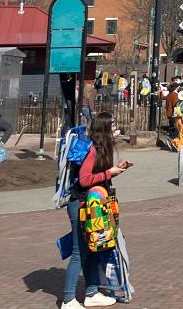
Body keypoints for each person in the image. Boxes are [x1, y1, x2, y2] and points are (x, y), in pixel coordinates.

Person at [61, 112, 132, 309]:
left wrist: (115, 170)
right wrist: (110, 172)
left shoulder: (100, 149)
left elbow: (97, 176)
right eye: (113, 124)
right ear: (105, 127)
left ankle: (91, 293)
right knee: (79, 252)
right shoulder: (91, 149)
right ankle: (68, 299)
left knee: (94, 249)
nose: (116, 128)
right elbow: (84, 180)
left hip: (94, 205)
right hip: (82, 205)